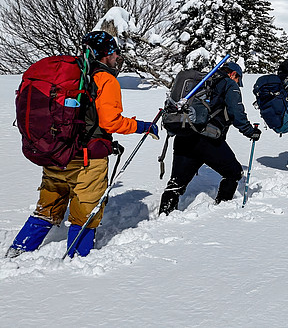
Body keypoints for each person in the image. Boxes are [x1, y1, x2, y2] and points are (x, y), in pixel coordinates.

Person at [6, 31, 159, 258]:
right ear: (106, 54)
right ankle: (77, 261)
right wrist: (142, 126)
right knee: (86, 211)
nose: (117, 56)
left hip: (57, 151)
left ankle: (18, 251)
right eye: (115, 52)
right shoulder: (105, 79)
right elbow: (110, 122)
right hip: (87, 160)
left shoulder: (74, 75)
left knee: (47, 206)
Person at [159, 61, 261, 215]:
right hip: (207, 140)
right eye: (238, 79)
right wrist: (250, 131)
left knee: (177, 182)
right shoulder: (228, 84)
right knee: (233, 173)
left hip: (184, 134)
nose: (237, 83)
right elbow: (236, 112)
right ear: (233, 74)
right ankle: (220, 211)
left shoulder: (203, 82)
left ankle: (164, 216)